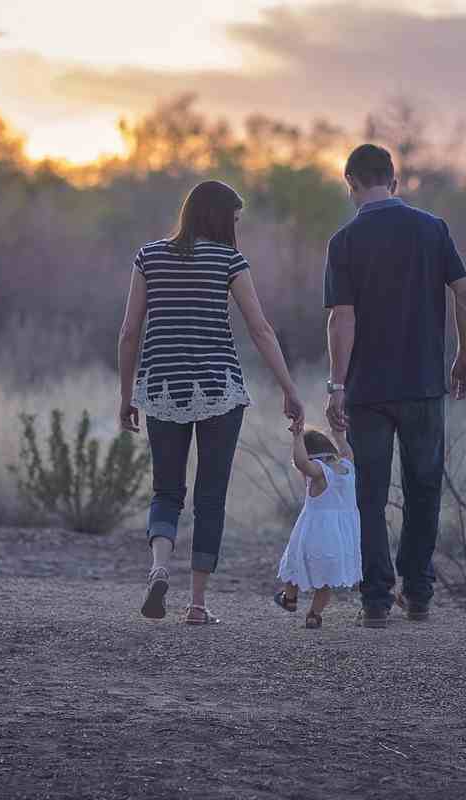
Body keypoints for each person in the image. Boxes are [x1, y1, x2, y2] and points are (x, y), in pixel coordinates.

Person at [117, 180, 304, 626]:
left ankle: (160, 567)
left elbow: (128, 332)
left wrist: (127, 396)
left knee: (166, 490)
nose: (237, 229)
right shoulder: (229, 260)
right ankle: (197, 604)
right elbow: (260, 330)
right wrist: (289, 388)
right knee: (211, 496)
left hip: (161, 387)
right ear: (220, 218)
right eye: (235, 220)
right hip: (219, 388)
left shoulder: (149, 256)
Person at [323, 144, 466, 628]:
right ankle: (418, 593)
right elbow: (465, 292)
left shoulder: (344, 241)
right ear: (393, 180)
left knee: (369, 494)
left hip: (368, 390)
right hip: (423, 385)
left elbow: (341, 318)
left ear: (350, 182)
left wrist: (336, 385)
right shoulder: (433, 229)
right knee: (423, 488)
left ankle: (375, 600)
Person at [274, 426, 361, 630]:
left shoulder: (320, 473)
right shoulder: (348, 466)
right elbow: (347, 451)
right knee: (326, 581)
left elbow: (302, 463)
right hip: (340, 538)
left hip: (314, 534)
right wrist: (339, 435)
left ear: (313, 458)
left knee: (294, 565)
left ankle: (290, 598)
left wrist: (297, 438)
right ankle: (314, 615)